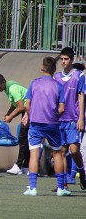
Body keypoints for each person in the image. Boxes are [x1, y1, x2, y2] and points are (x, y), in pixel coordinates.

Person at [23, 56, 70, 196]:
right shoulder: (58, 86)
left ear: (42, 68)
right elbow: (62, 108)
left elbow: (27, 104)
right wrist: (55, 116)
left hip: (36, 123)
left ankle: (32, 188)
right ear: (55, 69)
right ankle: (61, 188)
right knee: (57, 154)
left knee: (34, 153)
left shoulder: (34, 83)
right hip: (52, 124)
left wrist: (32, 116)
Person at [54, 47, 86, 190]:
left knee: (73, 150)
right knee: (61, 151)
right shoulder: (56, 77)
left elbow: (81, 96)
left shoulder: (79, 76)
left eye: (66, 59)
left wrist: (81, 118)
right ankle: (63, 184)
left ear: (72, 60)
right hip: (60, 119)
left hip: (73, 119)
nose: (63, 62)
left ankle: (82, 172)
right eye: (61, 59)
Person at [0, 74, 30, 175]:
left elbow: (21, 107)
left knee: (23, 138)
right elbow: (15, 104)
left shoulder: (12, 88)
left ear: (2, 83)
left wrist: (11, 117)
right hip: (28, 110)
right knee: (26, 139)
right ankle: (26, 167)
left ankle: (18, 166)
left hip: (31, 110)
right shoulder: (8, 88)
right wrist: (8, 114)